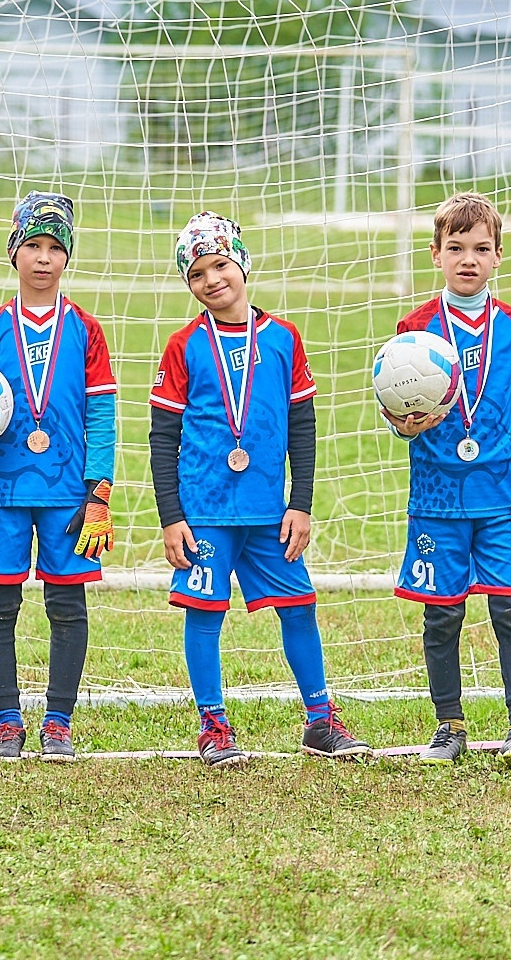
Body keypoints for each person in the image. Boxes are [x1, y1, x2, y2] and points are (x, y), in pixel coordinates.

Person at [149, 211, 372, 767]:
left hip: (269, 511)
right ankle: (214, 726)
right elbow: (162, 437)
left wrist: (300, 504)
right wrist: (172, 515)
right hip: (204, 510)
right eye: (197, 273)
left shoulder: (283, 338)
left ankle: (321, 721)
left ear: (242, 263)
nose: (211, 280)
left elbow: (303, 425)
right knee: (205, 611)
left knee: (299, 605)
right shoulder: (184, 346)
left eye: (220, 264)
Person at [384, 192, 511, 773]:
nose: (468, 259)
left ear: (498, 256)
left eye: (480, 249)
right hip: (436, 495)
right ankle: (449, 725)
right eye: (455, 247)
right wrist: (405, 426)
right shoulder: (414, 328)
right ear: (435, 254)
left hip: (501, 495)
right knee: (442, 613)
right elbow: (396, 410)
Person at [0, 193, 118, 762]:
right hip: (3, 489)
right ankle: (7, 721)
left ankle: (57, 722)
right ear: (14, 252)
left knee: (67, 605)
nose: (44, 258)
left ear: (68, 256)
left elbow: (101, 413)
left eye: (56, 247)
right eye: (33, 245)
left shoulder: (88, 331)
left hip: (69, 493)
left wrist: (98, 491)